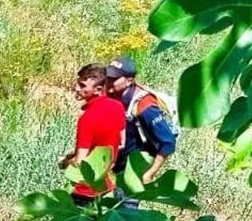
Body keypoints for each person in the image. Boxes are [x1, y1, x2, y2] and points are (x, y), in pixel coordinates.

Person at [58, 63, 127, 206]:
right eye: (78, 83)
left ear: (98, 89)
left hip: (85, 191)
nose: (77, 89)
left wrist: (65, 162)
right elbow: (121, 143)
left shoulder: (87, 118)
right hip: (108, 186)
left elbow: (80, 162)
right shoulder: (118, 107)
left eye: (83, 86)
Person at [106, 56, 178, 185]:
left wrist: (150, 173)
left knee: (126, 203)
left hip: (135, 168)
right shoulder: (112, 96)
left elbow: (168, 143)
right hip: (113, 164)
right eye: (108, 76)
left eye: (114, 78)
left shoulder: (145, 106)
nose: (108, 81)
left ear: (129, 81)